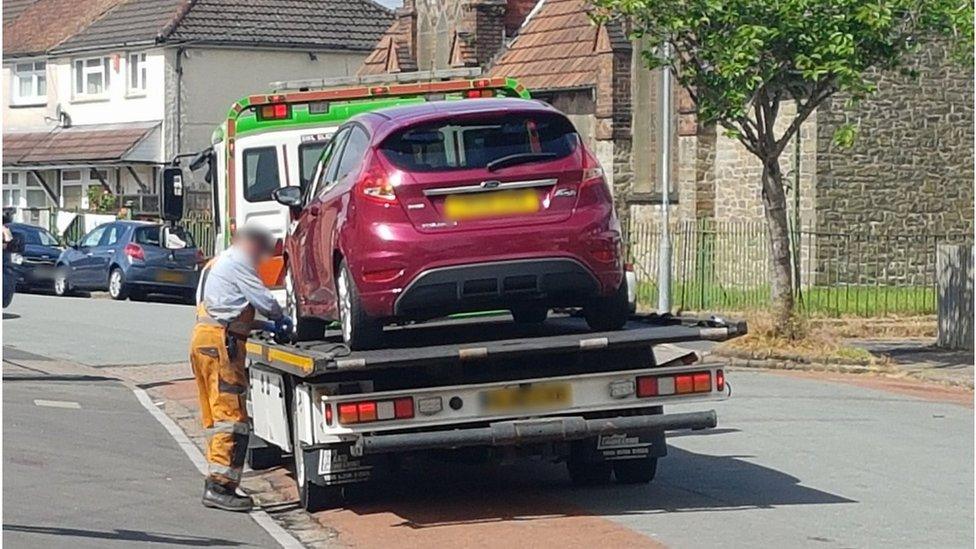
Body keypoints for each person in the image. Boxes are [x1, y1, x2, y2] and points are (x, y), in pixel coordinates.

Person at [190, 224, 292, 511]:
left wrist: (263, 325)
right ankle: (220, 486)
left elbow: (226, 307)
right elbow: (263, 299)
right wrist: (281, 317)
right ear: (252, 245)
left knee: (214, 414)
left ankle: (217, 478)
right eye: (261, 254)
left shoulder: (217, 263)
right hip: (222, 343)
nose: (260, 261)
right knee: (231, 415)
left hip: (205, 339)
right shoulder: (239, 262)